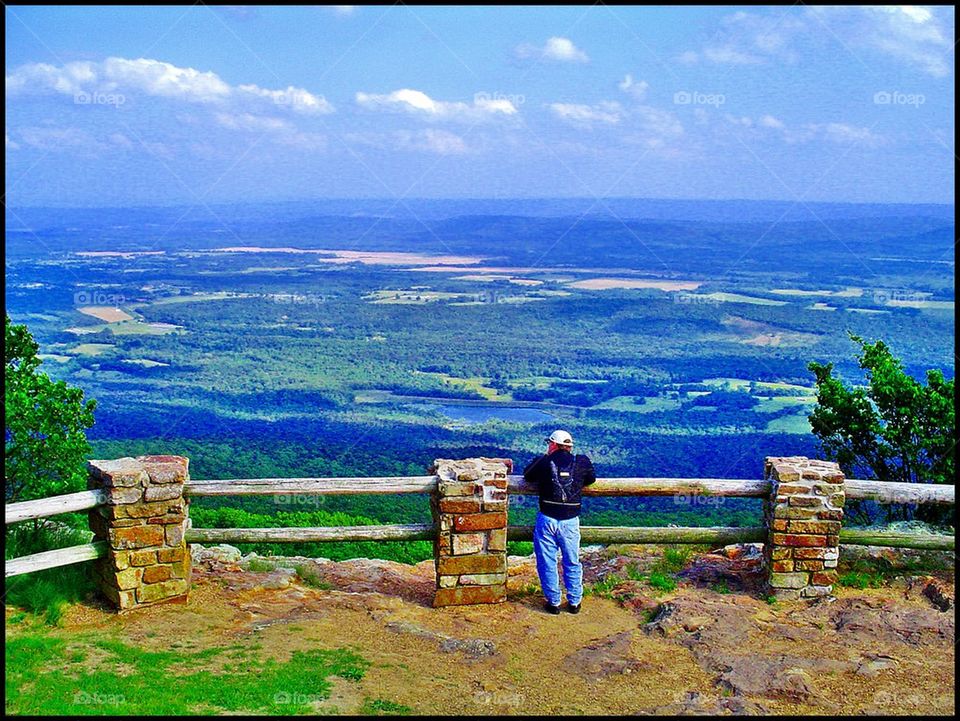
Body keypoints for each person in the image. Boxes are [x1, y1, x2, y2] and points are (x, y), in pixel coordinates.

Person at [523, 429, 596, 614]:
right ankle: (574, 601)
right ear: (570, 446)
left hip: (547, 517)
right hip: (570, 520)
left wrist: (544, 458)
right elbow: (591, 479)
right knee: (572, 560)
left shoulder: (545, 461)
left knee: (547, 561)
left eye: (549, 443)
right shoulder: (581, 461)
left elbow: (528, 475)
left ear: (553, 444)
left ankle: (554, 602)